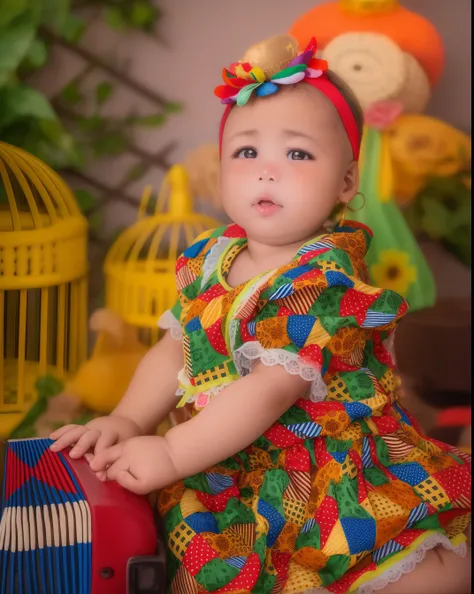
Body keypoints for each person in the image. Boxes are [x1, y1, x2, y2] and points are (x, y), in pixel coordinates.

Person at [50, 34, 471, 594]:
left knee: (421, 570)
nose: (266, 171)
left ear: (346, 182)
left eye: (297, 154)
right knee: (208, 557)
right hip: (226, 456)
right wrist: (129, 420)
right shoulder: (208, 257)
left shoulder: (322, 277)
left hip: (323, 468)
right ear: (220, 170)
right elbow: (175, 348)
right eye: (246, 152)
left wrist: (174, 451)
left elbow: (271, 389)